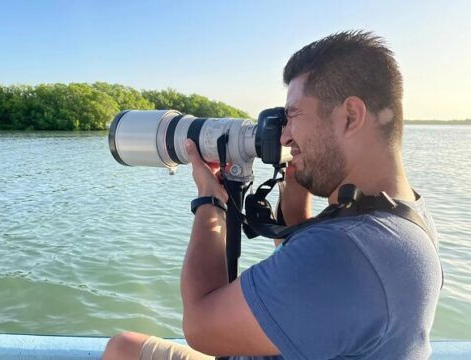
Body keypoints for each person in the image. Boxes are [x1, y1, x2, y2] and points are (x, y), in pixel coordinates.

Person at [103, 30, 442, 359]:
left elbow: (200, 327)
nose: (284, 138)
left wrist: (211, 202)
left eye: (293, 116)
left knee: (121, 349)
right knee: (125, 347)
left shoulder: (346, 252)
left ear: (350, 116)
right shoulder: (402, 215)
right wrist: (294, 194)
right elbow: (306, 277)